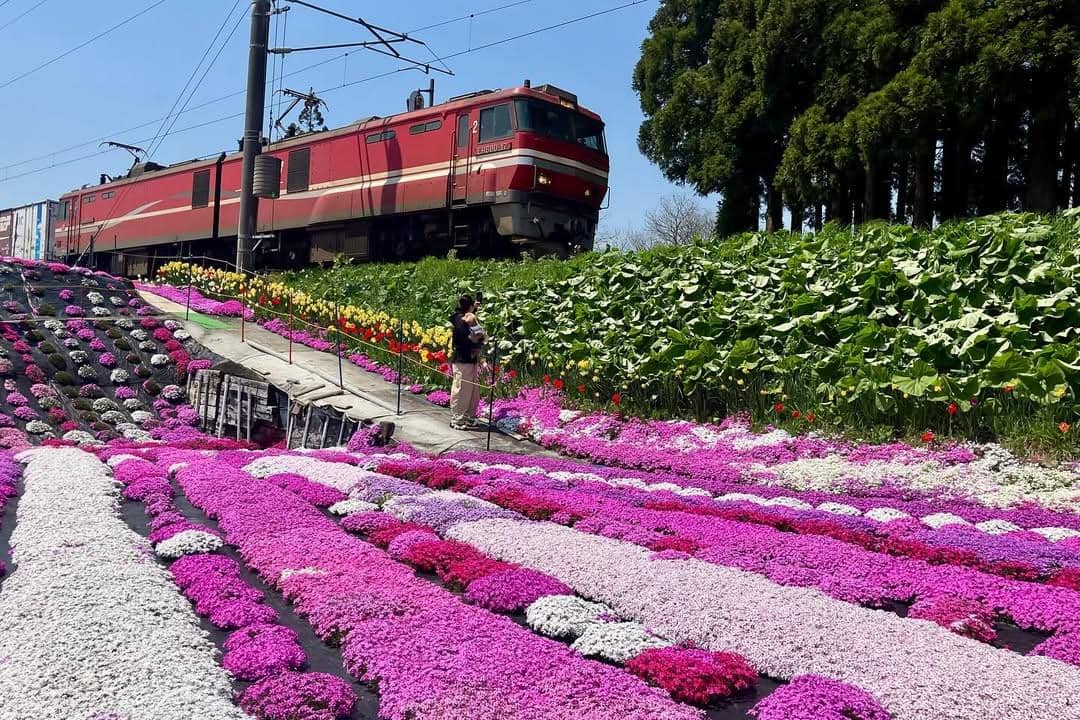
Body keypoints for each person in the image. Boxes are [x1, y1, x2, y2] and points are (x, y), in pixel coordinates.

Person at [449, 294, 483, 429]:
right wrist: (477, 340)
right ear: (468, 306)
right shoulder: (460, 320)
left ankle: (469, 416)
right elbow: (474, 336)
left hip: (470, 359)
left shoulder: (464, 316)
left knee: (473, 390)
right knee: (461, 389)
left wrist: (474, 309)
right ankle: (457, 418)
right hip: (463, 358)